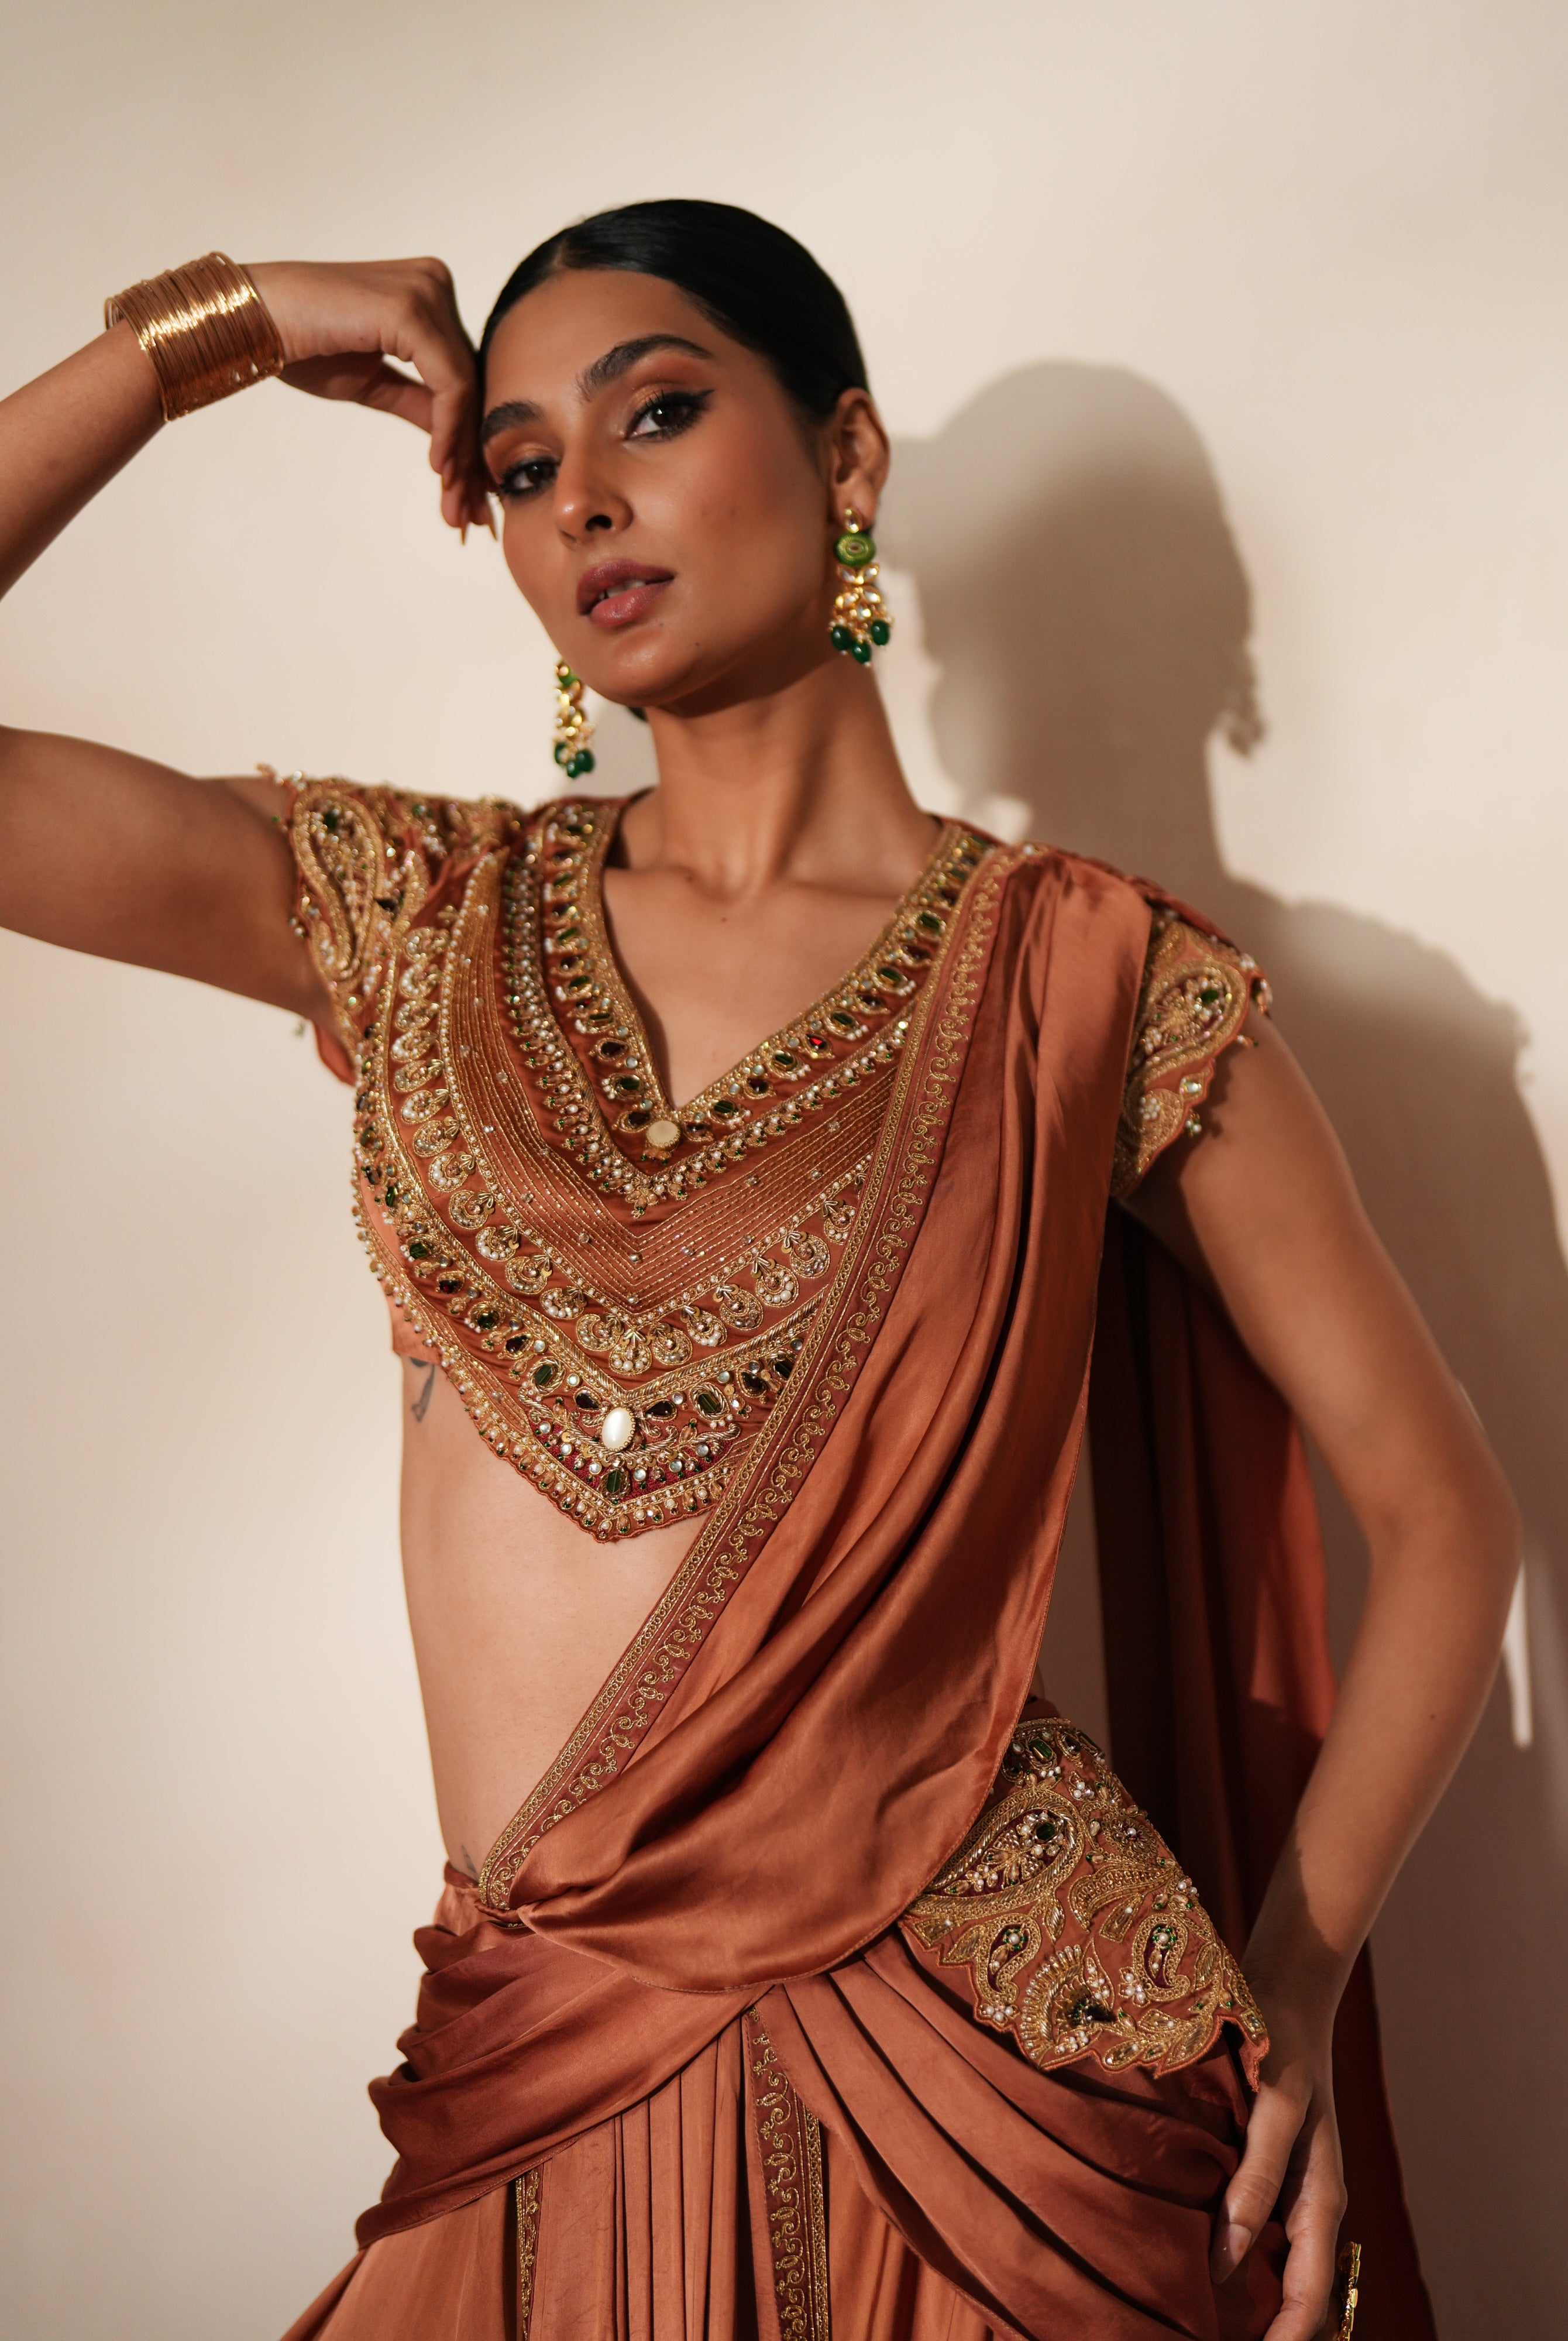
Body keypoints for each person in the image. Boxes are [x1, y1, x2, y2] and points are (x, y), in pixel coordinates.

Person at [0, 203, 1517, 2341]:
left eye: (660, 411)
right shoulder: (412, 913)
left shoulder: (1091, 982)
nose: (587, 497)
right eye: (521, 465)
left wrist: (1296, 1966)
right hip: (537, 2076)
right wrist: (209, 335)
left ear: (851, 458)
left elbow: (1444, 1512)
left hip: (1020, 2100)